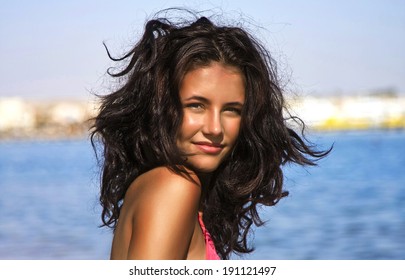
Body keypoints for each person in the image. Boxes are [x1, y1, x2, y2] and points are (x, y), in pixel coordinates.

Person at [90, 10, 330, 260]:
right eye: (196, 105)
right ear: (159, 107)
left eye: (232, 110)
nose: (215, 129)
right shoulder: (174, 186)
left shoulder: (160, 187)